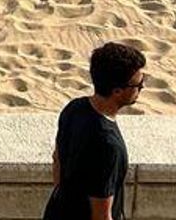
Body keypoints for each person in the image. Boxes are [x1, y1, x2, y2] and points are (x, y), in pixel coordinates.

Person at [41, 42, 145, 220]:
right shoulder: (108, 145)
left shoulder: (74, 108)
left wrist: (65, 203)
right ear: (117, 91)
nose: (141, 88)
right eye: (138, 85)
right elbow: (102, 216)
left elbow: (57, 159)